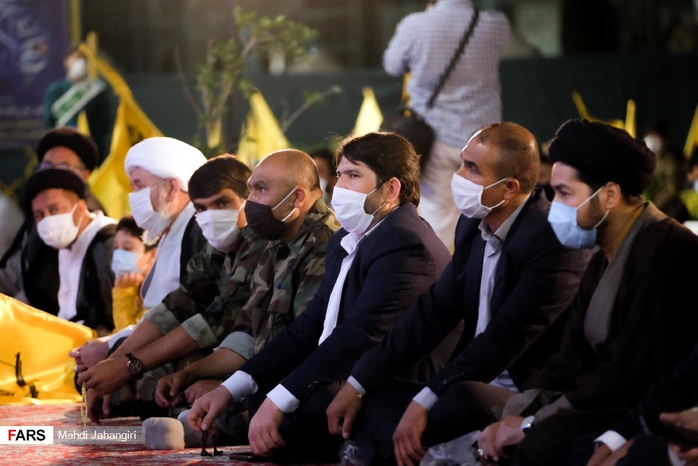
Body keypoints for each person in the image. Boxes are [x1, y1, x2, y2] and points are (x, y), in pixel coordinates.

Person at [325, 122, 590, 466]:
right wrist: (358, 383)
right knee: (374, 397)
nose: (459, 175)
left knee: (455, 400)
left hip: (524, 391)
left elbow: (504, 339)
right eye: (462, 162)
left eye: (472, 168)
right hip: (463, 380)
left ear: (509, 187)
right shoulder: (471, 225)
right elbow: (432, 313)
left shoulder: (551, 238)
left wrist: (426, 399)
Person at [185, 132, 452, 463]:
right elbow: (309, 326)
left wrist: (279, 401)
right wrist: (230, 388)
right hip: (348, 382)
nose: (340, 186)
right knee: (263, 391)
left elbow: (357, 334)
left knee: (295, 405)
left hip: (395, 391)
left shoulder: (405, 242)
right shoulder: (348, 240)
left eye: (354, 175)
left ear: (391, 189)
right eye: (339, 174)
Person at [476, 119, 698, 466]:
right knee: (471, 407)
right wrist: (518, 414)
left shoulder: (667, 252)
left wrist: (534, 423)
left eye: (565, 193)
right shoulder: (601, 257)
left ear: (609, 195)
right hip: (599, 400)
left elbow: (628, 373)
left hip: (638, 412)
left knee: (542, 445)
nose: (555, 205)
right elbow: (570, 358)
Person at [80, 150, 339, 423]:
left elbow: (296, 342)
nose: (252, 200)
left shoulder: (319, 243)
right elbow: (237, 325)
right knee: (179, 385)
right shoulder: (278, 240)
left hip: (298, 380)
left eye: (260, 190)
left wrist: (226, 386)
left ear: (297, 197)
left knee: (208, 412)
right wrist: (125, 363)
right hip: (259, 370)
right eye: (201, 208)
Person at [70, 137, 208, 414]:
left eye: (138, 185)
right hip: (166, 338)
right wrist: (110, 346)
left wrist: (116, 356)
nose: (133, 195)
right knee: (88, 370)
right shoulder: (170, 231)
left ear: (172, 187)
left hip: (196, 347)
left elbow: (188, 319)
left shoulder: (198, 229)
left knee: (113, 376)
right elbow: (160, 313)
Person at [383, 0, 511, 250]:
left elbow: (392, 65)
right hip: (484, 141)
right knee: (488, 215)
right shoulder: (496, 24)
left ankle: (444, 272)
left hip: (436, 137)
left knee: (439, 217)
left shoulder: (415, 25)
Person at [0, 127, 105, 315]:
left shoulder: (86, 216)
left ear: (85, 174)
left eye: (64, 166)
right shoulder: (41, 205)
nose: (54, 172)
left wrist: (10, 310)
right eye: (47, 165)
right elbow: (14, 268)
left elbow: (49, 289)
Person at [23, 168, 117, 334]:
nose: (47, 220)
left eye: (54, 210)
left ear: (80, 208)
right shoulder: (67, 245)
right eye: (39, 215)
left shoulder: (109, 243)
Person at [578, 340, 698, 466]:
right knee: (580, 446)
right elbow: (677, 386)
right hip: (665, 434)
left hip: (674, 448)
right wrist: (611, 442)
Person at [42, 45, 116, 161]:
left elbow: (105, 124)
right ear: (66, 62)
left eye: (84, 59)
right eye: (77, 58)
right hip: (63, 151)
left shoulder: (97, 91)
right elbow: (49, 123)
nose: (81, 62)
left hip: (93, 152)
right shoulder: (54, 91)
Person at [110, 214, 157, 333]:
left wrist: (123, 293)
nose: (118, 254)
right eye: (116, 247)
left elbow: (127, 337)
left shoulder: (159, 292)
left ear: (152, 254)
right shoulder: (134, 286)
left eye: (127, 248)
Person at [643, 120, 688, 222]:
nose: (652, 140)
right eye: (649, 136)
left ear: (665, 139)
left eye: (655, 136)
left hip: (668, 214)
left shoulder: (671, 160)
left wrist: (652, 206)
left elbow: (671, 189)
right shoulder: (645, 158)